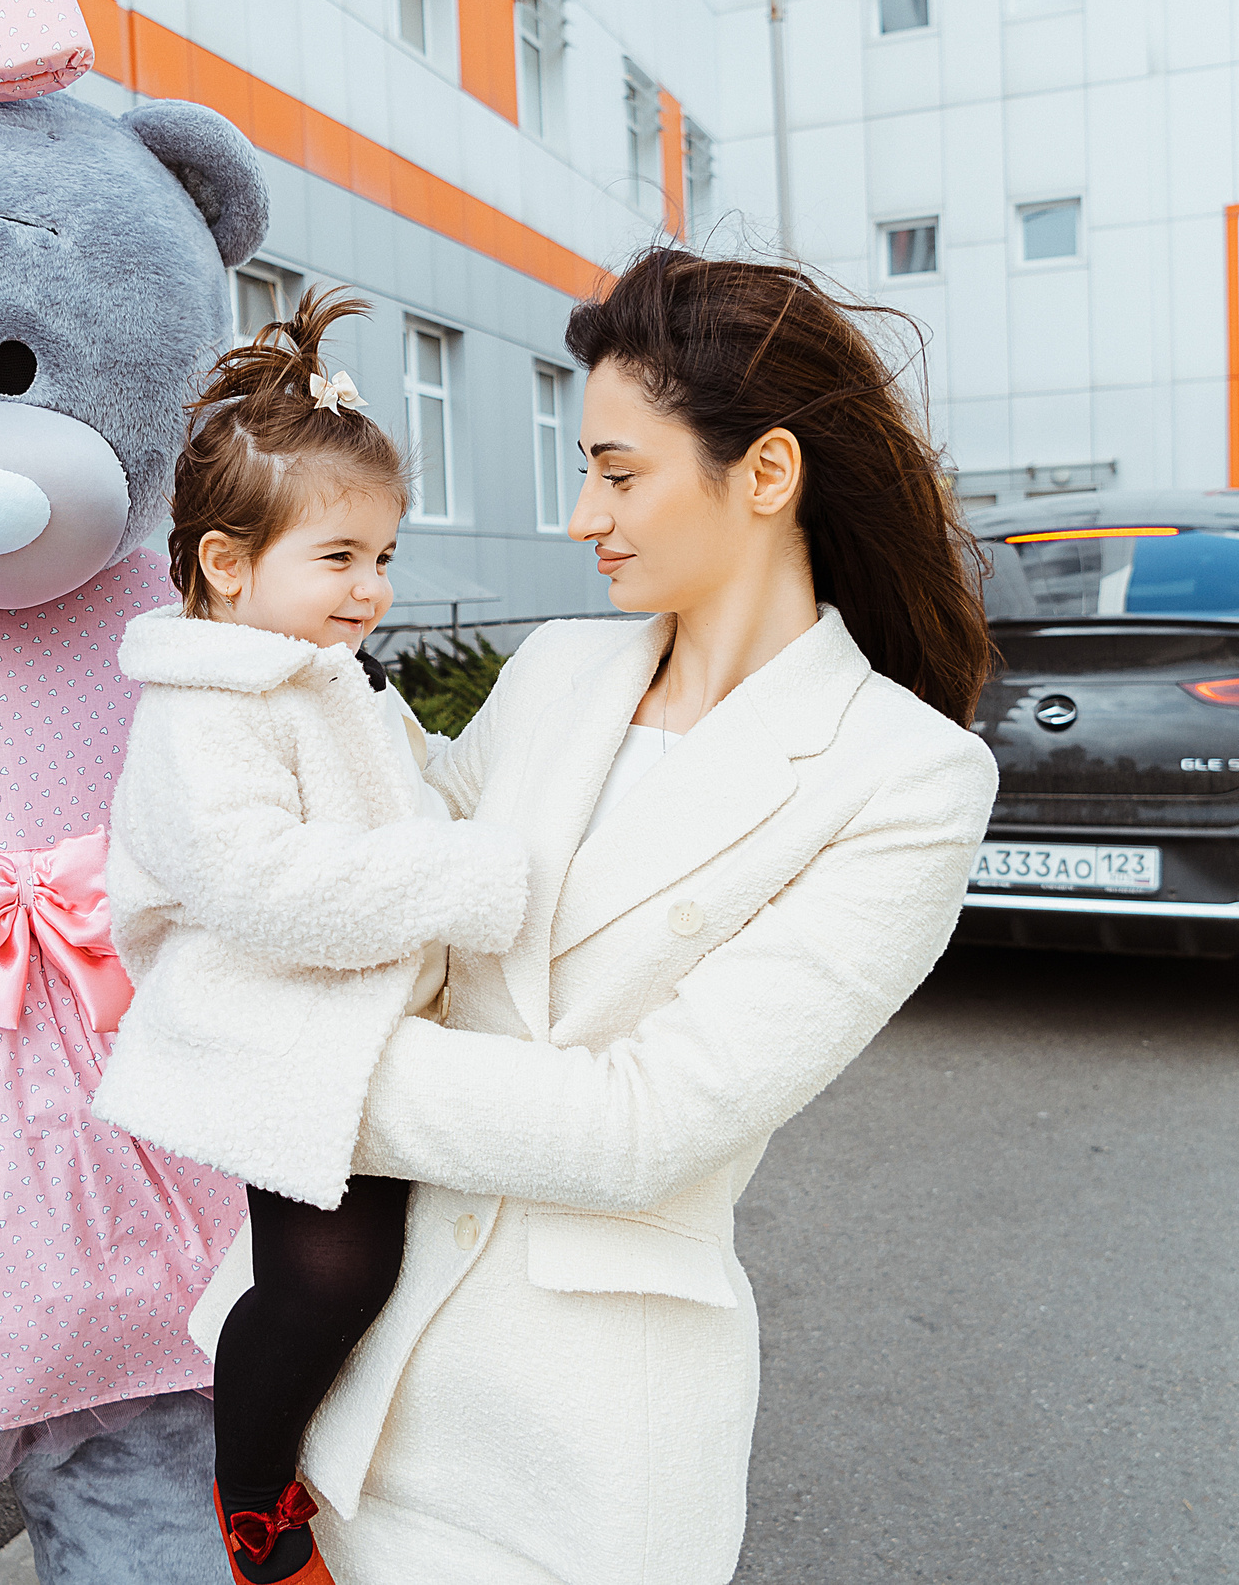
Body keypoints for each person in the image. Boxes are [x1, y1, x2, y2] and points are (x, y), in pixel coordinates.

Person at [230, 249, 1005, 1584]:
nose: (585, 513)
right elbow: (404, 919)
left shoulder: (910, 779)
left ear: (765, 475)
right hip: (342, 1401)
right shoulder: (559, 669)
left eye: (619, 470)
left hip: (580, 1467)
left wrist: (271, 1060)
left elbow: (644, 1128)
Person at [90, 290, 532, 1585]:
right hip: (276, 1028)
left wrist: (498, 803)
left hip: (351, 1025)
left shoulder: (332, 677)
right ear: (229, 564)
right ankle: (251, 1499)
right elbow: (267, 888)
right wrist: (474, 877)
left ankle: (321, 1448)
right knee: (326, 1279)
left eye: (383, 556)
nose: (373, 589)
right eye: (340, 558)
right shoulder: (200, 709)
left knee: (374, 1271)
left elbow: (425, 792)